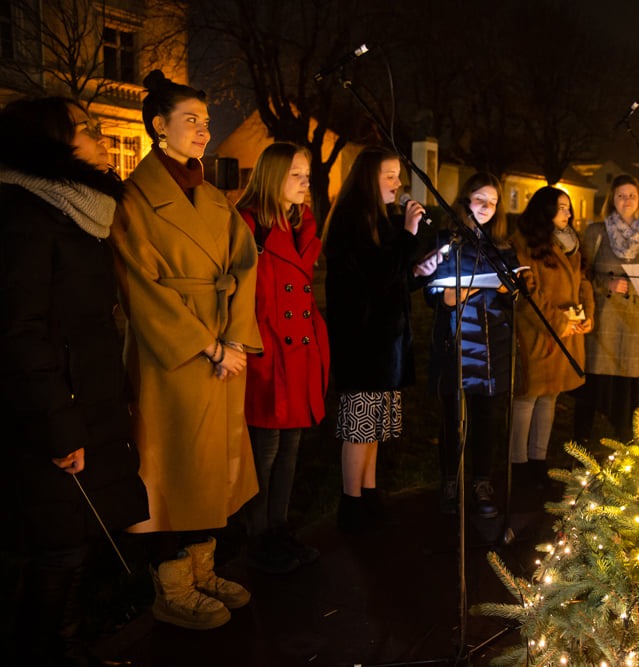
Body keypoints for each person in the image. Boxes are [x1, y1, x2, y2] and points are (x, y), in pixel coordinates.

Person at [110, 70, 262, 630]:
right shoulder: (135, 198)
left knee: (210, 469)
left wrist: (236, 340)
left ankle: (203, 567)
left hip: (224, 349)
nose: (204, 131)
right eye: (191, 120)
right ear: (159, 126)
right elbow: (140, 288)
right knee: (171, 467)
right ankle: (170, 584)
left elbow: (246, 265)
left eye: (206, 121)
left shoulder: (214, 195)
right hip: (173, 356)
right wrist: (209, 346)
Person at [0, 97, 149, 665]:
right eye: (86, 129)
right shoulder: (26, 218)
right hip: (53, 414)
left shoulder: (74, 213)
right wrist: (59, 424)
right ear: (48, 145)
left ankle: (68, 646)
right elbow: (20, 331)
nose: (102, 136)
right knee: (56, 546)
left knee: (73, 542)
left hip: (85, 401)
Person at [325, 147, 439, 533]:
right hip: (362, 342)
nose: (398, 184)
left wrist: (422, 270)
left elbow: (394, 279)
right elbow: (374, 276)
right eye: (389, 176)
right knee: (360, 427)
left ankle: (369, 493)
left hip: (386, 343)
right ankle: (350, 503)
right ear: (367, 179)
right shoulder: (350, 222)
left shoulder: (383, 221)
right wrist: (408, 235)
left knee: (376, 426)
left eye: (398, 176)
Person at [235, 143, 329, 573]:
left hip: (299, 351)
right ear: (273, 175)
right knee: (265, 448)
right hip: (267, 351)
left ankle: (279, 527)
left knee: (291, 446)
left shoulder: (301, 224)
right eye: (296, 174)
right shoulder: (248, 224)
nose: (305, 182)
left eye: (307, 174)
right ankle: (258, 538)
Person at [425, 173, 514, 517]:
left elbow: (515, 292)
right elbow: (434, 290)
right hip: (455, 341)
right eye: (480, 199)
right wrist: (448, 296)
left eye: (493, 202)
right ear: (465, 200)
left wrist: (509, 289)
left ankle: (481, 482)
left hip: (492, 344)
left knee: (485, 416)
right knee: (451, 416)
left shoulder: (502, 244)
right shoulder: (448, 240)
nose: (487, 207)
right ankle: (450, 481)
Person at [508, 186, 594, 486]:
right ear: (544, 210)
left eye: (569, 208)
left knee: (550, 397)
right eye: (561, 207)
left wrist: (586, 317)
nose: (568, 213)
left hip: (567, 331)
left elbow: (583, 283)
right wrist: (559, 323)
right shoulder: (525, 243)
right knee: (528, 397)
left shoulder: (572, 244)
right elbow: (529, 293)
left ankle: (538, 460)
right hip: (539, 333)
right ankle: (517, 464)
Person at [575, 174, 639, 442]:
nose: (626, 200)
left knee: (631, 378)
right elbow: (583, 273)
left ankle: (628, 437)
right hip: (604, 316)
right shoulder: (596, 232)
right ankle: (584, 440)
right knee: (598, 377)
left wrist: (637, 287)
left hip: (636, 318)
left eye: (632, 196)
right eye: (621, 195)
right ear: (612, 200)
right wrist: (607, 285)